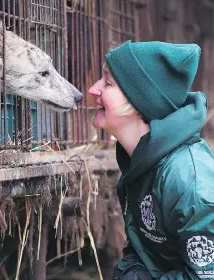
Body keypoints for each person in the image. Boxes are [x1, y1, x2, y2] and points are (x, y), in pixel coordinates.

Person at [88, 40, 214, 280]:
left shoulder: (190, 186)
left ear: (138, 102)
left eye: (108, 83)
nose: (94, 89)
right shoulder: (142, 160)